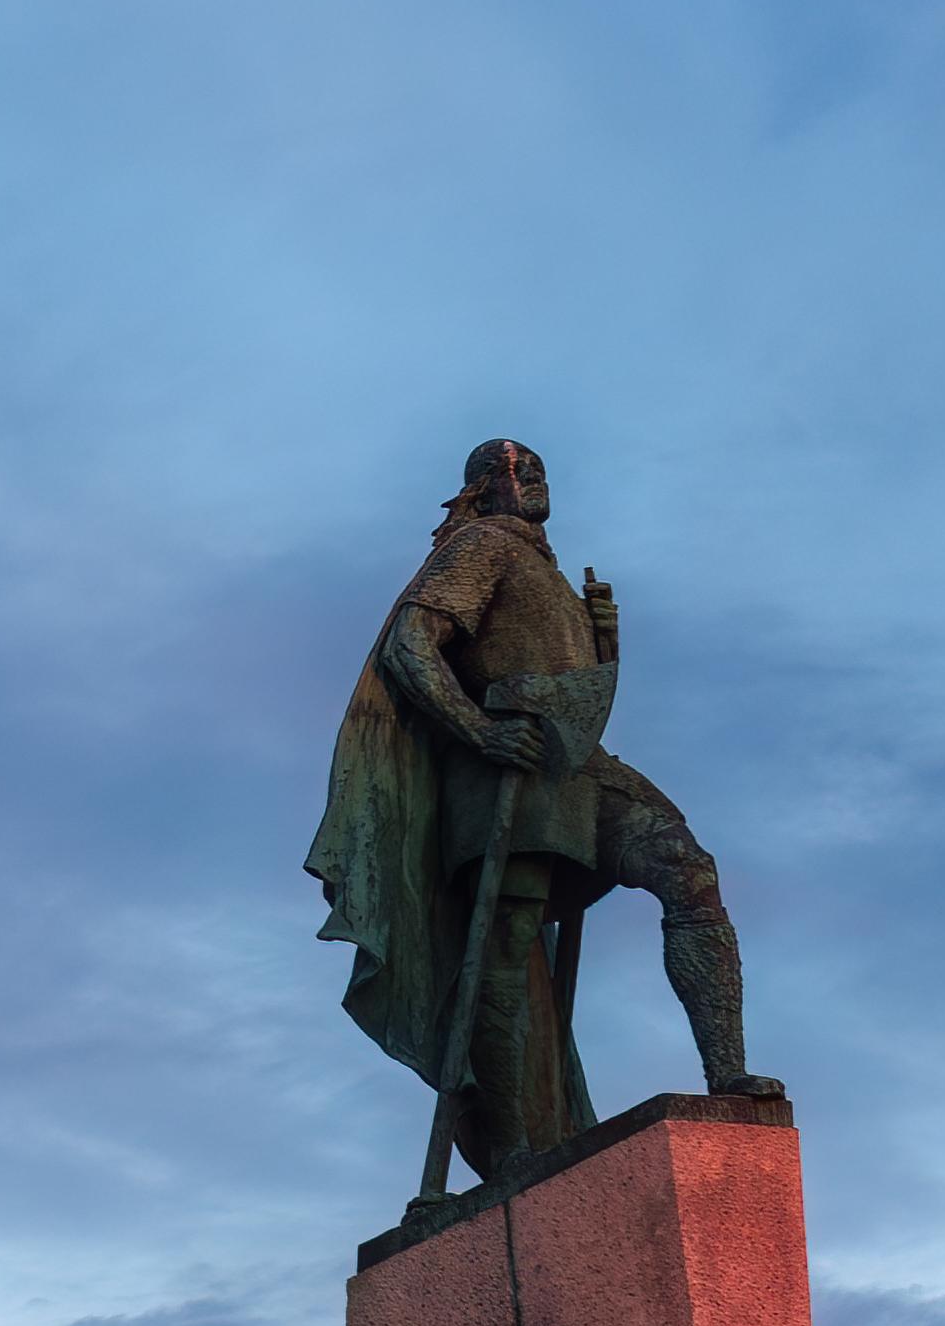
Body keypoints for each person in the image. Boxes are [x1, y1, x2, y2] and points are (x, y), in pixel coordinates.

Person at [307, 438, 756, 1210]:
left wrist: (605, 642)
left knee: (689, 871)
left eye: (540, 467)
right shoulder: (480, 545)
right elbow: (411, 644)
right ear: (484, 487)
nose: (533, 479)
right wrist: (477, 731)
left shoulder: (547, 570)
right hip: (504, 764)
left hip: (576, 765)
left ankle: (730, 1076)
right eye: (515, 470)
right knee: (506, 951)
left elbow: (574, 692)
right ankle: (515, 1151)